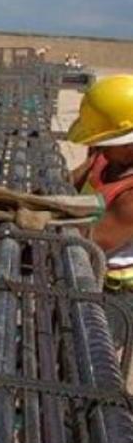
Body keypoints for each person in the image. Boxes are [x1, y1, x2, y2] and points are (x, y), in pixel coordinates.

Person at [69, 75, 133, 290]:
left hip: (115, 295)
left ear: (128, 145)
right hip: (88, 275)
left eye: (104, 141)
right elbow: (63, 186)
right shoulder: (105, 159)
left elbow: (82, 245)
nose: (99, 147)